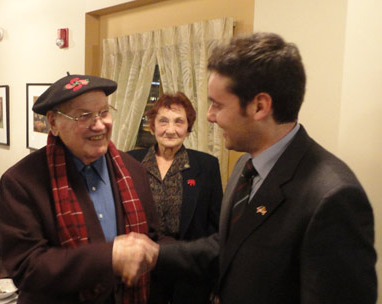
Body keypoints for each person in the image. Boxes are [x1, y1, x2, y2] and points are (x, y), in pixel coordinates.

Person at [118, 32, 378, 304]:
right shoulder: (246, 164)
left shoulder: (333, 197)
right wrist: (155, 254)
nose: (210, 116)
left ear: (260, 107)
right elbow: (229, 247)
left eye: (217, 105)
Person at [0, 73, 159, 304]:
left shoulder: (134, 170)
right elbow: (27, 268)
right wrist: (109, 257)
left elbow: (151, 239)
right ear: (53, 123)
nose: (100, 124)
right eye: (84, 116)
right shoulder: (21, 182)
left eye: (104, 112)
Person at [127, 92, 223, 304]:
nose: (170, 130)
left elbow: (215, 228)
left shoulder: (207, 166)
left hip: (189, 272)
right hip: (143, 270)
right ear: (152, 126)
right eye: (163, 121)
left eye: (179, 122)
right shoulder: (131, 162)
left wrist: (216, 281)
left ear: (188, 129)